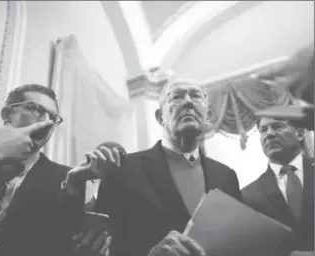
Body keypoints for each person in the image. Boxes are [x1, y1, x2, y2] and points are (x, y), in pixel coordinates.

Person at [91, 77, 242, 256]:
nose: (188, 102)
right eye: (177, 96)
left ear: (207, 116)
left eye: (195, 96)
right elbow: (100, 249)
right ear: (160, 117)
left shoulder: (227, 176)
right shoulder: (122, 170)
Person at [0, 84, 118, 256]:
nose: (47, 122)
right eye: (35, 109)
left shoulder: (65, 180)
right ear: (7, 115)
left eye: (53, 117)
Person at [242, 117, 314, 255]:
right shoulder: (248, 196)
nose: (269, 134)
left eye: (277, 126)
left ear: (299, 133)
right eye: (263, 130)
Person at [0, 120, 54, 207]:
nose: (44, 123)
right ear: (6, 118)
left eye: (53, 118)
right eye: (32, 107)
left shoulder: (64, 181)